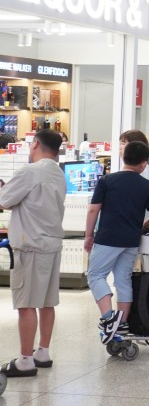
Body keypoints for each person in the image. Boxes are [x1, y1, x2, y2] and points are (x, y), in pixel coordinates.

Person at [0, 129, 65, 378]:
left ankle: (25, 360)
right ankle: (42, 352)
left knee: (26, 303)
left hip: (30, 245)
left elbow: (5, 200)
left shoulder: (30, 171)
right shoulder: (57, 173)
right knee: (47, 302)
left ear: (35, 143)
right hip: (51, 244)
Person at [84, 140, 149, 342]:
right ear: (144, 163)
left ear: (123, 157)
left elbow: (94, 209)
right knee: (123, 279)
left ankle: (109, 318)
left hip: (108, 237)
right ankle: (122, 324)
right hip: (131, 239)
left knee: (95, 275)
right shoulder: (147, 185)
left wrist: (88, 235)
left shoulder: (107, 181)